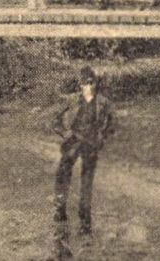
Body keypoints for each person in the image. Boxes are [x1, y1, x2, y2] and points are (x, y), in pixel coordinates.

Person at [53, 65, 115, 242]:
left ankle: (85, 216)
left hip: (91, 142)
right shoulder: (73, 101)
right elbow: (54, 119)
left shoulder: (103, 102)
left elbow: (112, 123)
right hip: (73, 140)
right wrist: (66, 133)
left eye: (91, 83)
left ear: (95, 83)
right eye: (85, 83)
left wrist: (102, 136)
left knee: (87, 179)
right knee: (63, 172)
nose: (88, 87)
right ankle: (60, 208)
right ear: (80, 85)